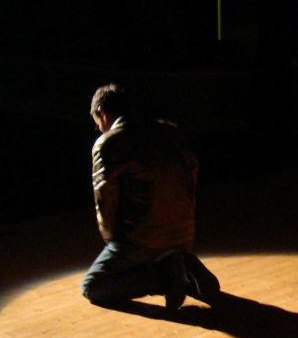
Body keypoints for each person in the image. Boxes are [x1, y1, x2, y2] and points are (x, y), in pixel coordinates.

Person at [80, 84, 220, 309]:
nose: (99, 128)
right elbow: (191, 177)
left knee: (93, 286)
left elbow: (105, 200)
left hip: (141, 238)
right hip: (184, 234)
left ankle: (165, 276)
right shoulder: (171, 132)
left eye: (97, 122)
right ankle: (180, 262)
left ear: (102, 113)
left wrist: (113, 242)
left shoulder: (109, 143)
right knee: (150, 255)